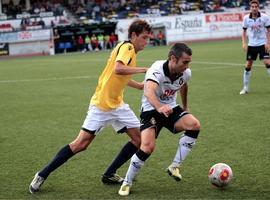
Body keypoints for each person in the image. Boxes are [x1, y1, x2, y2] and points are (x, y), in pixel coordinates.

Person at [29, 19, 151, 194]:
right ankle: (42, 174)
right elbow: (118, 69)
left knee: (140, 140)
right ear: (133, 35)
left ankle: (109, 174)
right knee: (80, 144)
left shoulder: (126, 48)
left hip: (117, 104)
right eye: (144, 38)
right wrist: (144, 70)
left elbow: (117, 76)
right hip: (102, 105)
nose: (146, 42)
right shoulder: (128, 48)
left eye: (148, 38)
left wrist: (138, 85)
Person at [118, 43, 201, 196]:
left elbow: (184, 85)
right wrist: (159, 107)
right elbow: (148, 91)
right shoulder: (157, 69)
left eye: (189, 62)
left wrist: (186, 106)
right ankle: (127, 182)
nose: (187, 66)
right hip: (150, 110)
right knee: (147, 147)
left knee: (194, 125)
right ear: (172, 59)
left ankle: (174, 166)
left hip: (171, 108)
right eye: (184, 62)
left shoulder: (185, 73)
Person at [240, 0, 270, 95]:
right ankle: (245, 88)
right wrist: (244, 43)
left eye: (255, 6)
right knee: (248, 65)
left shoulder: (265, 17)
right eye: (252, 6)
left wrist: (268, 43)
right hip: (251, 45)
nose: (254, 8)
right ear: (250, 8)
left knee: (267, 62)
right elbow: (244, 31)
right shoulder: (246, 18)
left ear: (258, 7)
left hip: (262, 44)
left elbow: (269, 30)